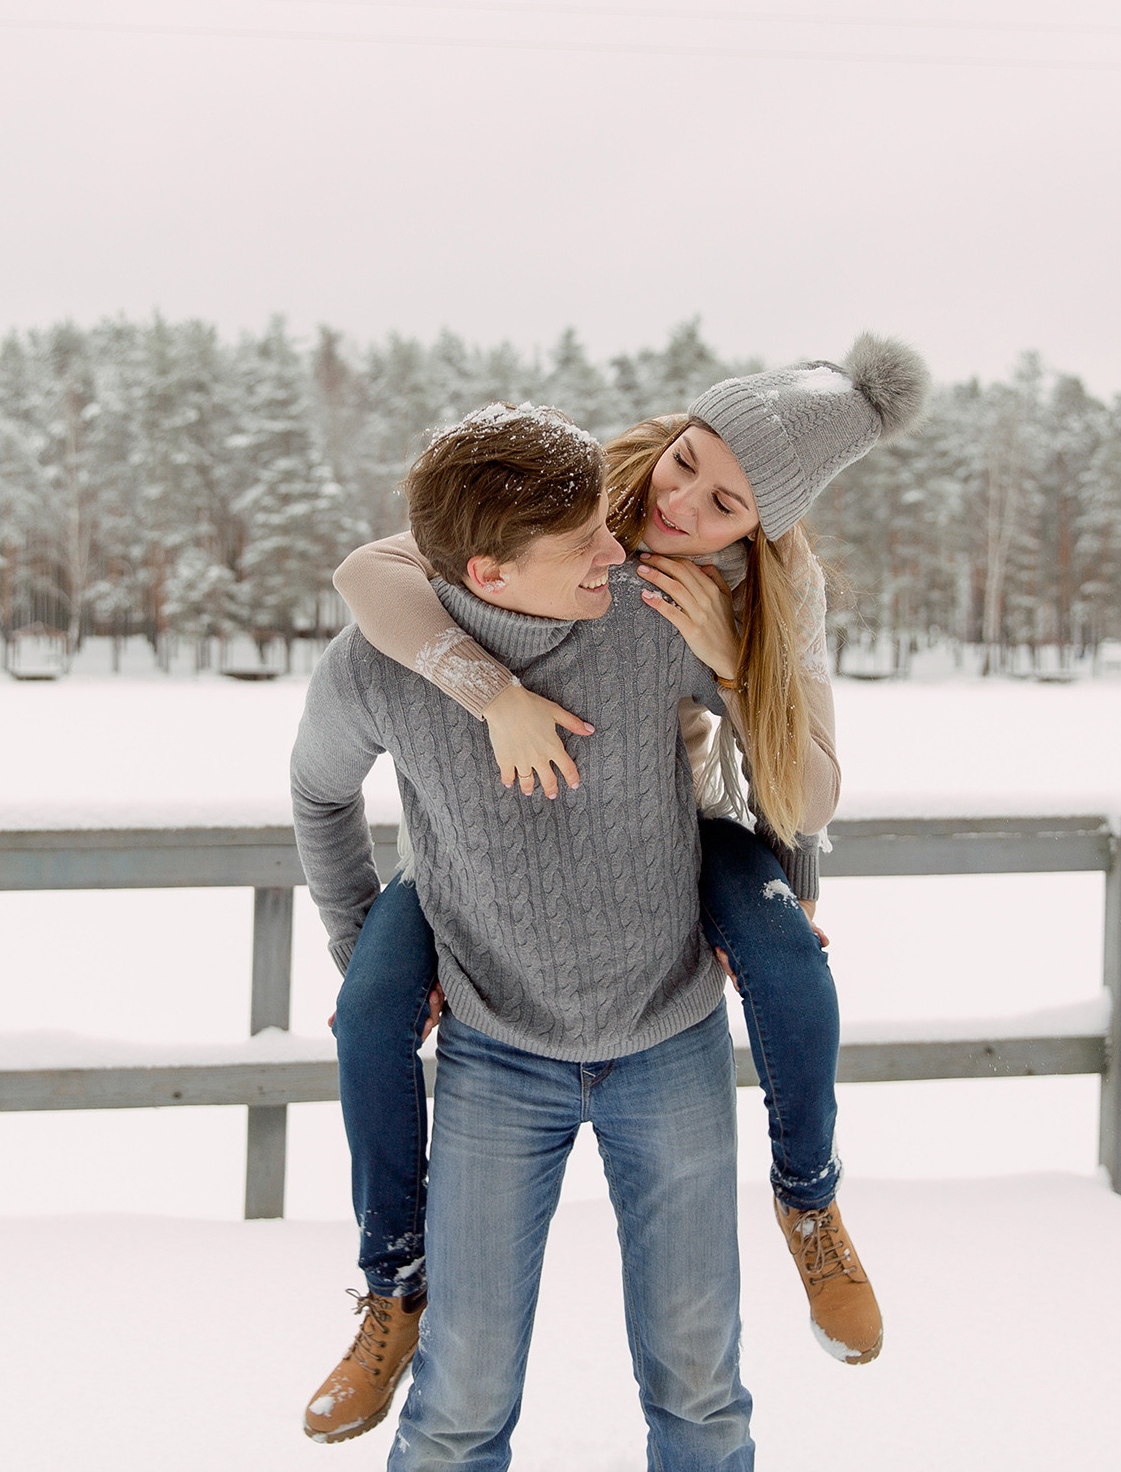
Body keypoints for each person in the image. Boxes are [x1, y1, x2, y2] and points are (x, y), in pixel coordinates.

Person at [309, 337, 930, 1437]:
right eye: (686, 458)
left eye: (726, 498)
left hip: (680, 843)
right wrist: (484, 688)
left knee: (787, 956)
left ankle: (811, 1199)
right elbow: (374, 573)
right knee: (369, 1002)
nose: (678, 502)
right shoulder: (572, 492)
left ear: (761, 528)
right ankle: (391, 1282)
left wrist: (738, 667)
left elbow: (793, 783)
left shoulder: (755, 594)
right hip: (492, 946)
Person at [290, 404, 751, 1468]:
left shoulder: (650, 614)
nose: (620, 545)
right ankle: (389, 1290)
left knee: (700, 1391)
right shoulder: (374, 668)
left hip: (668, 1036)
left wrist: (772, 877)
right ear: (489, 574)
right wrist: (366, 945)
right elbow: (318, 796)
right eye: (587, 539)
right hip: (497, 1055)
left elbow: (774, 743)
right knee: (458, 1401)